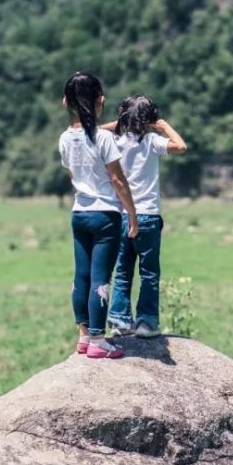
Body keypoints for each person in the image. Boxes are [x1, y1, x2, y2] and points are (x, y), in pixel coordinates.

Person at [60, 72, 138, 359]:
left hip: (79, 213)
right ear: (100, 102)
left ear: (65, 102)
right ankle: (97, 339)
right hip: (105, 214)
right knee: (100, 279)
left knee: (81, 276)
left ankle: (83, 336)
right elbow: (118, 180)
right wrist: (131, 213)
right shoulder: (104, 138)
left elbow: (72, 174)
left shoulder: (65, 139)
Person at [104, 95, 187, 338]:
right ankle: (146, 324)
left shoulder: (114, 140)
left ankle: (120, 321)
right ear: (150, 119)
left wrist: (121, 123)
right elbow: (181, 146)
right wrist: (161, 125)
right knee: (149, 273)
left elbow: (94, 129)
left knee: (122, 270)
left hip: (120, 215)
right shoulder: (152, 140)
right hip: (148, 215)